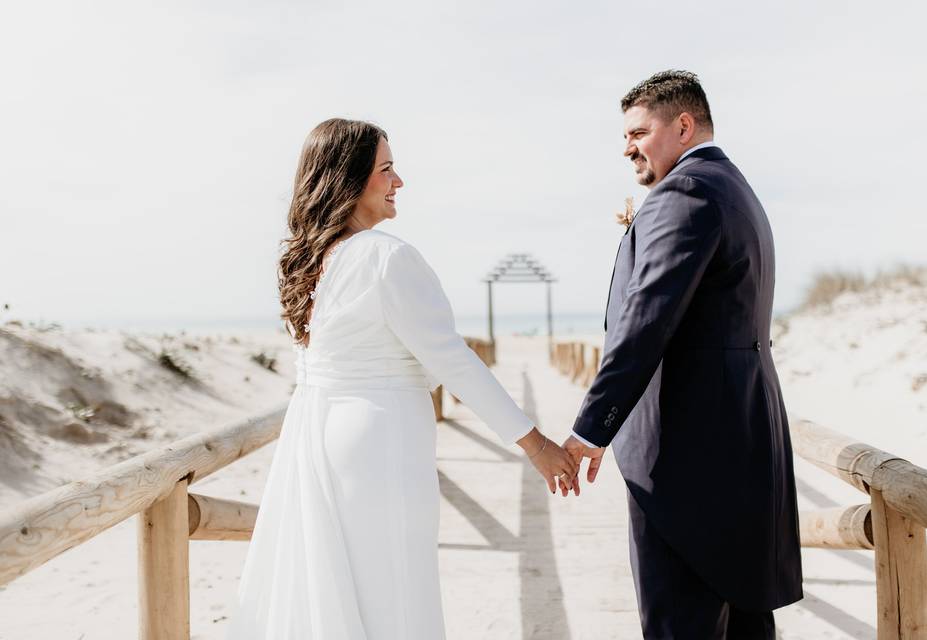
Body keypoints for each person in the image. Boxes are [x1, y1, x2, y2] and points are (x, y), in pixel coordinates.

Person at [224, 118, 578, 639]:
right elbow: (452, 360)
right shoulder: (387, 257)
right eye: (386, 170)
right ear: (348, 180)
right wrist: (535, 443)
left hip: (317, 437)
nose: (399, 182)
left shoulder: (311, 260)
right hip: (380, 445)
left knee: (339, 584)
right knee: (393, 592)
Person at [563, 71, 803, 639]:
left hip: (686, 463)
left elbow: (645, 321)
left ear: (684, 125)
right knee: (743, 624)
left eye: (638, 132)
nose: (627, 147)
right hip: (740, 447)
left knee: (681, 626)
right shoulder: (733, 185)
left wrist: (592, 430)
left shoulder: (687, 192)